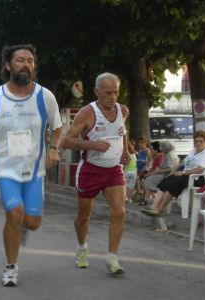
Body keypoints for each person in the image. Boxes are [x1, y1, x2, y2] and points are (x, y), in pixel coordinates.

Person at [0, 44, 62, 287]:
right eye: (20, 60)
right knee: (14, 213)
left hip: (34, 170)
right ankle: (11, 267)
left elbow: (58, 127)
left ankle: (21, 227)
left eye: (30, 61)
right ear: (8, 65)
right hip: (5, 168)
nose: (26, 64)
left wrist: (54, 148)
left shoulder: (45, 97)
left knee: (32, 222)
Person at [62, 72, 130, 275]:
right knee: (84, 216)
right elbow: (67, 140)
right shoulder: (87, 113)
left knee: (119, 212)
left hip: (113, 171)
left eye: (116, 92)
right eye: (108, 93)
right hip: (90, 170)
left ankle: (112, 257)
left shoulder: (123, 110)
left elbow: (122, 132)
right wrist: (92, 144)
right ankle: (82, 248)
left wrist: (125, 150)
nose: (113, 97)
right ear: (97, 91)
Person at [141, 130, 205, 217]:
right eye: (196, 141)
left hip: (197, 178)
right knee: (167, 180)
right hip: (187, 174)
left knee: (175, 183)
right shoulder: (194, 150)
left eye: (201, 141)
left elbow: (200, 170)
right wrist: (174, 170)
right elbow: (184, 161)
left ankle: (160, 209)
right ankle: (154, 206)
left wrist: (183, 172)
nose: (198, 143)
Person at [141, 140, 180, 206]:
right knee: (148, 179)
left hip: (167, 176)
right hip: (168, 175)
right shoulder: (172, 153)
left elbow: (170, 169)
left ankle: (158, 195)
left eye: (161, 147)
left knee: (148, 180)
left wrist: (158, 172)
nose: (161, 148)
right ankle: (150, 198)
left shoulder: (169, 155)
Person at [134, 136, 152, 201]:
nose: (139, 144)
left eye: (141, 143)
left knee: (140, 181)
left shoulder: (147, 150)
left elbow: (149, 160)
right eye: (139, 143)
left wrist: (144, 168)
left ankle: (142, 194)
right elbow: (139, 159)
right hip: (139, 168)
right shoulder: (140, 150)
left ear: (145, 143)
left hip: (144, 169)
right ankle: (144, 195)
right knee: (140, 181)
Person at [123, 139, 138, 203]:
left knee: (125, 185)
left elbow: (124, 163)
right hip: (134, 172)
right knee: (131, 186)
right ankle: (130, 199)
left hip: (126, 171)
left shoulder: (126, 154)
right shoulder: (135, 154)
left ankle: (125, 197)